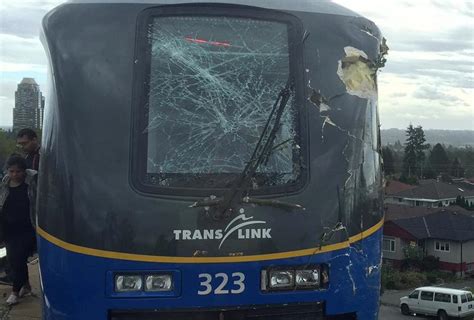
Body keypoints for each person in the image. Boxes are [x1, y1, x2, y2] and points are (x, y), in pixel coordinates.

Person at [0, 129, 40, 286]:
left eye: (25, 143)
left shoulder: (40, 158)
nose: (22, 146)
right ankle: (20, 282)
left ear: (34, 139)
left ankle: (19, 285)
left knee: (19, 253)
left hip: (28, 219)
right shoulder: (6, 181)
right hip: (11, 223)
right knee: (14, 254)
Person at [0, 155, 37, 305]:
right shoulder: (5, 185)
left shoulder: (32, 184)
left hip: (27, 229)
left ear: (24, 171)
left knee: (17, 260)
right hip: (9, 229)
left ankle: (15, 291)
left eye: (18, 171)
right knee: (15, 259)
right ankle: (26, 286)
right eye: (11, 171)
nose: (15, 175)